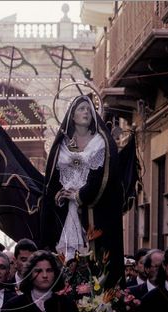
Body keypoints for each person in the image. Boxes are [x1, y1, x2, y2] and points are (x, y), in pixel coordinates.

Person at [41, 94, 124, 288]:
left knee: (99, 260)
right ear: (72, 116)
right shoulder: (62, 145)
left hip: (96, 211)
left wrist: (79, 195)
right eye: (81, 109)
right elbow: (52, 180)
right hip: (65, 215)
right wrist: (59, 195)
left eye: (89, 109)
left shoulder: (101, 142)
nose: (86, 112)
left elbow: (105, 177)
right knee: (66, 260)